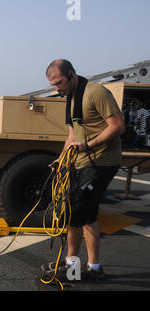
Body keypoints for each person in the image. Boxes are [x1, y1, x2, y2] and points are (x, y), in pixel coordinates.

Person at [42, 59, 125, 281]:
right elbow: (72, 136)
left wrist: (88, 145)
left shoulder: (95, 92)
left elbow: (118, 126)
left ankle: (72, 268)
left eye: (59, 82)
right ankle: (93, 267)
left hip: (101, 161)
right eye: (53, 85)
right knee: (87, 215)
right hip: (82, 162)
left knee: (74, 211)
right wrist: (61, 159)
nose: (57, 88)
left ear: (71, 74)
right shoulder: (70, 99)